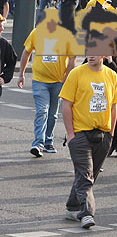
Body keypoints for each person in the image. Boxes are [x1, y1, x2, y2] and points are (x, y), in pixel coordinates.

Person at [60, 55, 117, 229]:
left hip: (103, 134)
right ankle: (87, 213)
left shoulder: (111, 75)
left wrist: (110, 134)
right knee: (85, 176)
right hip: (80, 134)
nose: (91, 54)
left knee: (89, 175)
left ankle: (72, 207)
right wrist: (70, 134)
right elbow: (66, 104)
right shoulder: (76, 74)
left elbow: (114, 106)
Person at [17, 12, 78, 156]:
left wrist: (66, 78)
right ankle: (38, 143)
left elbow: (73, 57)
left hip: (58, 81)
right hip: (40, 81)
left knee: (52, 114)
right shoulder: (36, 33)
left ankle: (48, 141)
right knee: (42, 111)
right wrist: (21, 74)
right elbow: (26, 53)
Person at [0, 15, 18, 98]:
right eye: (0, 26)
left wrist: (4, 78)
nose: (2, 29)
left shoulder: (3, 44)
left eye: (2, 26)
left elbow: (12, 61)